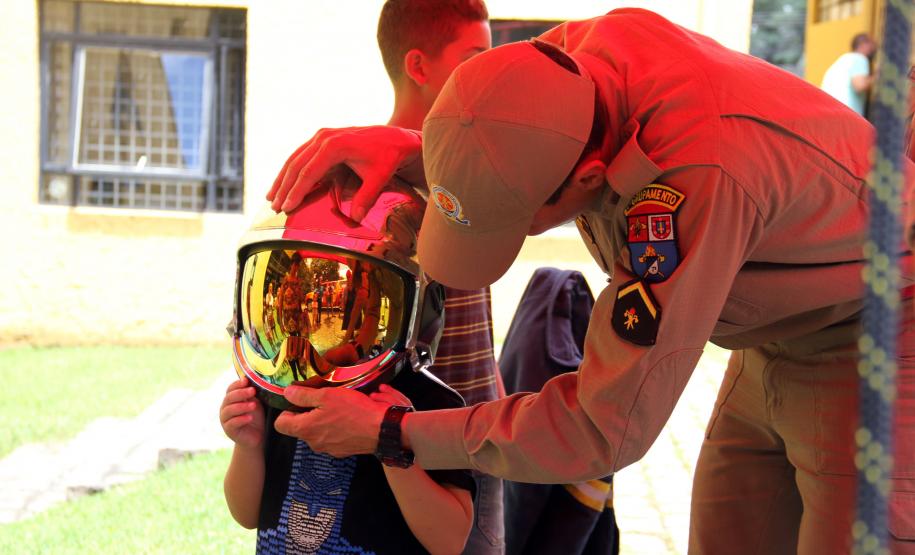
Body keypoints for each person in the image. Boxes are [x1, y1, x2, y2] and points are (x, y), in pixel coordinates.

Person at [266, 8, 914, 555]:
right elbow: (506, 139)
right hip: (774, 323)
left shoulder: (690, 181)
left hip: (879, 329)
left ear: (588, 179)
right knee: (727, 527)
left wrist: (393, 432)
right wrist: (412, 152)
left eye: (518, 222)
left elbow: (602, 427)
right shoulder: (564, 61)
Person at [221, 181, 476, 554]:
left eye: (358, 310)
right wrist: (248, 444)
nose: (311, 339)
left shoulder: (430, 404)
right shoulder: (284, 394)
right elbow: (247, 513)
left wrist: (391, 441)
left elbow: (450, 540)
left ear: (417, 311)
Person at [378, 2, 509, 553]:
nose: (490, 77)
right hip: (399, 444)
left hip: (479, 433)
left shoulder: (472, 162)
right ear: (419, 65)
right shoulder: (373, 185)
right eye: (474, 59)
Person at [821, 32, 878, 116]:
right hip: (844, 114)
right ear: (863, 45)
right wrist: (879, 76)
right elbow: (860, 85)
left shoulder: (845, 59)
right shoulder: (860, 58)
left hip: (830, 112)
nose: (875, 48)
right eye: (873, 44)